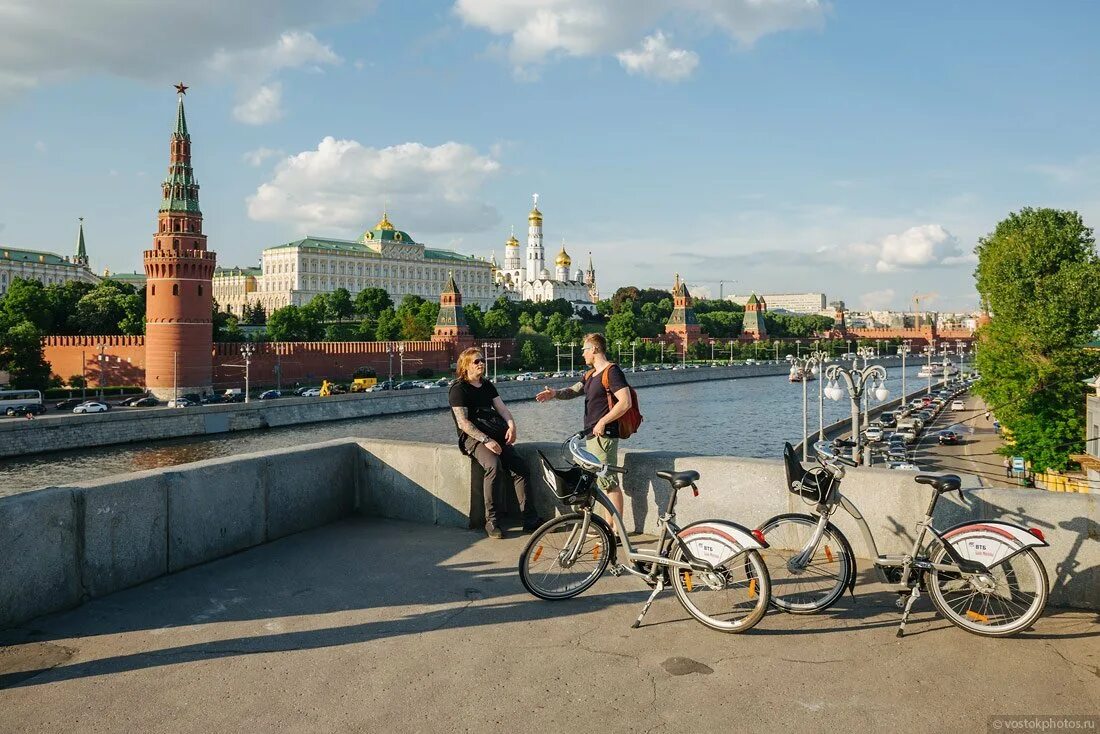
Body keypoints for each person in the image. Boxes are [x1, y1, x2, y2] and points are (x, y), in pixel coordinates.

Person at [536, 333, 632, 532]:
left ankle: (615, 531)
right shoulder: (590, 375)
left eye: (584, 350)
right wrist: (554, 394)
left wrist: (603, 421)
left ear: (595, 349)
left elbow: (625, 402)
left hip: (604, 435)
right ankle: (601, 528)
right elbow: (573, 391)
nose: (582, 355)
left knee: (608, 483)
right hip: (591, 435)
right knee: (590, 482)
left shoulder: (611, 372)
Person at [449, 347, 541, 539]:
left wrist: (511, 425)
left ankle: (529, 519)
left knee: (521, 468)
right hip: (473, 439)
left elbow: (502, 409)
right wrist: (486, 440)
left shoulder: (487, 385)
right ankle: (492, 521)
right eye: (477, 361)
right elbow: (463, 423)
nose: (481, 363)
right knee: (493, 465)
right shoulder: (458, 389)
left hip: (495, 435)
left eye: (482, 360)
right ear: (466, 365)